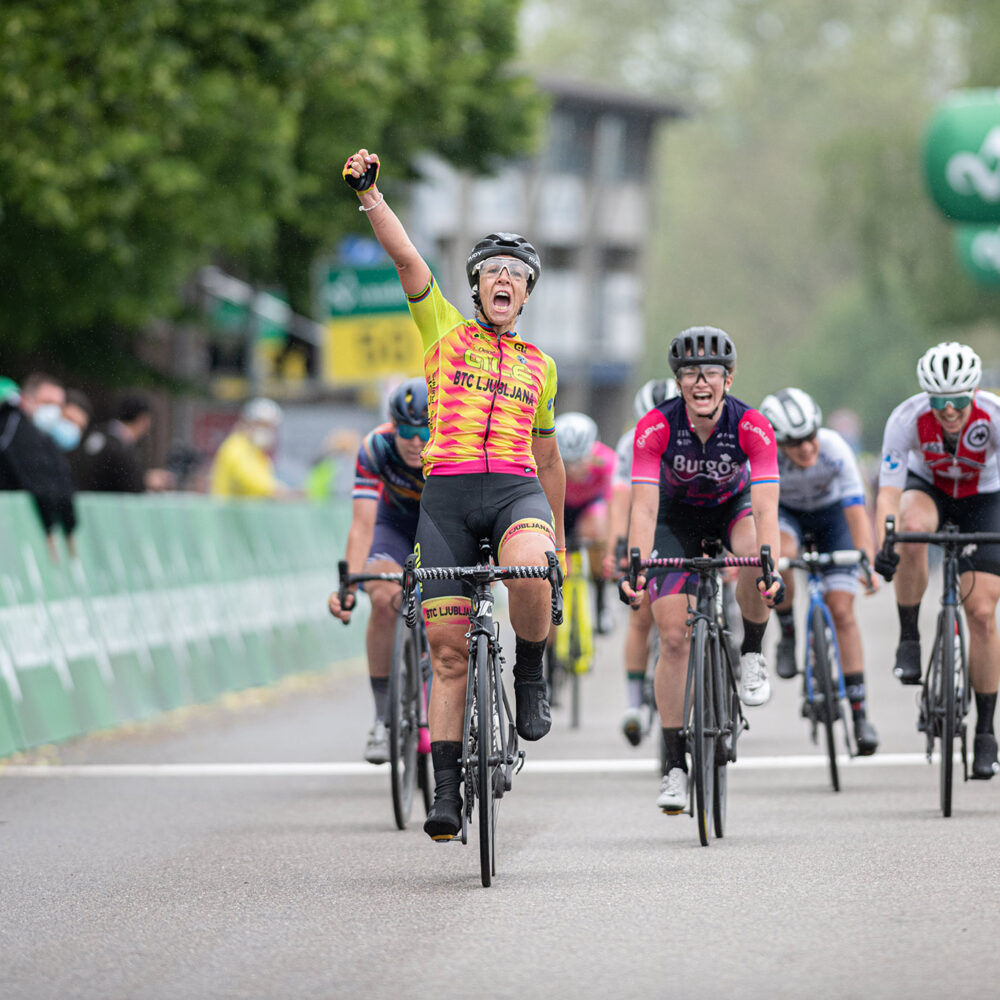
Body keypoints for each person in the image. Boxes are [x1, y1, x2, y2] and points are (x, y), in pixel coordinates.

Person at [344, 147, 566, 842]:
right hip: (445, 498)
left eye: (516, 276)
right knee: (445, 650)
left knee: (530, 566)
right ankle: (444, 791)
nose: (504, 280)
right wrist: (372, 197)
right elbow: (410, 262)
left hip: (514, 491)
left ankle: (530, 672)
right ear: (475, 289)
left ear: (527, 295)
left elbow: (549, 455)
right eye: (493, 273)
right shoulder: (442, 328)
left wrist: (560, 538)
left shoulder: (542, 367)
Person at [620, 327, 783, 814]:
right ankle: (674, 765)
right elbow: (644, 510)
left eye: (710, 372)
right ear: (678, 382)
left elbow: (767, 508)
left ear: (728, 379)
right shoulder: (656, 427)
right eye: (690, 373)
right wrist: (636, 565)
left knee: (756, 552)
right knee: (673, 638)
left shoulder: (753, 426)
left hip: (733, 511)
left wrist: (770, 563)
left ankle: (752, 651)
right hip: (675, 521)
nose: (700, 381)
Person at [874, 341, 1000, 779]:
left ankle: (986, 731)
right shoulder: (907, 418)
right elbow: (889, 491)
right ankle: (909, 637)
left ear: (975, 392)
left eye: (959, 401)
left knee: (982, 612)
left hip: (984, 497)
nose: (949, 411)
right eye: (940, 401)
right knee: (909, 529)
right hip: (930, 490)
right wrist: (884, 542)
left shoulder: (995, 415)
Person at [758, 387, 880, 756]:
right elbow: (758, 513)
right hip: (787, 517)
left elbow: (857, 510)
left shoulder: (835, 447)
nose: (808, 448)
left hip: (832, 520)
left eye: (811, 436)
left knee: (842, 610)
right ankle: (788, 633)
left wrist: (867, 562)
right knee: (784, 555)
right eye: (795, 443)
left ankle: (860, 715)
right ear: (778, 443)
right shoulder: (763, 458)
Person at [327, 378, 428, 764]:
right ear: (392, 426)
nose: (416, 442)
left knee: (447, 607)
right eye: (407, 431)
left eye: (424, 432)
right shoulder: (376, 448)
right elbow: (363, 525)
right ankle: (383, 718)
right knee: (383, 598)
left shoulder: (455, 444)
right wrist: (350, 583)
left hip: (440, 526)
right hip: (393, 525)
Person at [607, 378, 677, 746]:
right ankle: (634, 704)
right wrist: (619, 548)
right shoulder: (627, 444)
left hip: (686, 520)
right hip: (646, 520)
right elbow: (621, 500)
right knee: (641, 612)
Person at [0, 373, 78, 558]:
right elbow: (35, 477)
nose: (53, 410)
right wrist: (50, 527)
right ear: (27, 400)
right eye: (47, 402)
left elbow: (59, 481)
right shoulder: (15, 427)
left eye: (58, 405)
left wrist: (68, 526)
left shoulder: (43, 436)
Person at [555, 411, 616, 634]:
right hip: (560, 506)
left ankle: (601, 604)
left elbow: (613, 507)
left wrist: (610, 548)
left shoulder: (607, 461)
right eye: (567, 463)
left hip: (589, 507)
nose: (574, 470)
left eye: (579, 461)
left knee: (598, 530)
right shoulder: (547, 459)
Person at [73, 394, 173, 493]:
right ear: (143, 419)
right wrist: (145, 481)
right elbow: (130, 485)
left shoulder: (97, 434)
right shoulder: (119, 448)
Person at [210, 397, 291, 498]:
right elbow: (250, 480)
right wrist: (280, 491)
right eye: (264, 425)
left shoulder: (254, 451)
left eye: (271, 428)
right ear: (248, 423)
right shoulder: (236, 447)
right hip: (230, 513)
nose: (268, 431)